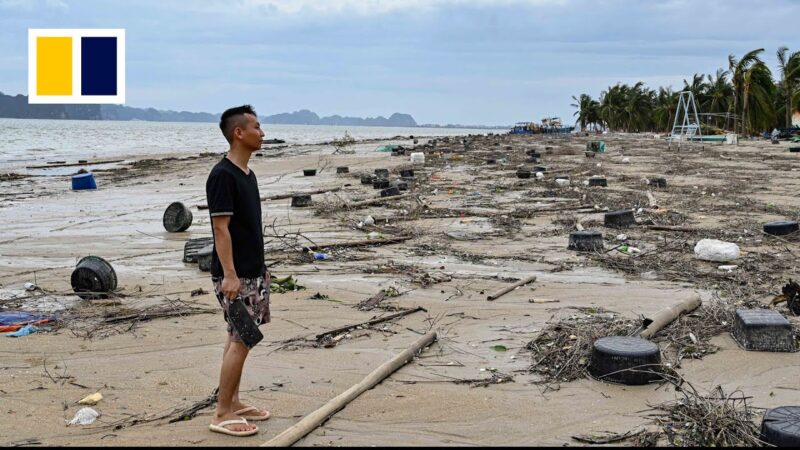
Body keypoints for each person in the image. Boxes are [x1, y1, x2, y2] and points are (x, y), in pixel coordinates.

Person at [205, 105, 269, 437]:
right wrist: (229, 274)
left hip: (252, 272)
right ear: (238, 133)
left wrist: (260, 270)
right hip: (235, 275)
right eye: (257, 127)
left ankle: (234, 401)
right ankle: (221, 413)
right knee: (241, 339)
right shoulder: (222, 175)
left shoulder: (247, 174)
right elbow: (221, 229)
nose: (263, 132)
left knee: (238, 338)